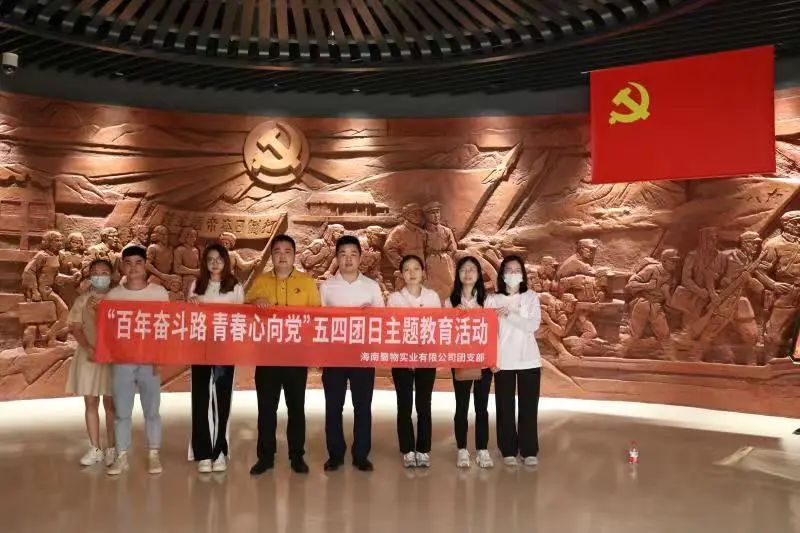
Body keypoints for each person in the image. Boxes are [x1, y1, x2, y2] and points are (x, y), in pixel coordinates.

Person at [246, 235, 320, 475]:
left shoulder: (307, 282)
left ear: (294, 255)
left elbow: (317, 317)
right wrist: (255, 303)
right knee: (266, 409)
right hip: (267, 357)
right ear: (272, 256)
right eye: (277, 251)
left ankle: (297, 456)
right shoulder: (261, 281)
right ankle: (265, 457)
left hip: (296, 357)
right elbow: (243, 311)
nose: (282, 255)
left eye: (287, 251)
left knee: (296, 409)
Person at [320, 235, 385, 472]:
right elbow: (320, 323)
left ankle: (361, 454)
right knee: (333, 407)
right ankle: (335, 454)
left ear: (360, 258)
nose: (348, 259)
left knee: (362, 406)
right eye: (343, 254)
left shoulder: (371, 286)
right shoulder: (327, 287)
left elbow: (382, 319)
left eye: (353, 254)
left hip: (362, 355)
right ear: (337, 258)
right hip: (334, 356)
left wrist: (372, 315)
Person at [105, 245, 170, 476]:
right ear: (122, 266)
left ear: (145, 266)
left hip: (150, 360)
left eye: (138, 263)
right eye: (128, 263)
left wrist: (160, 356)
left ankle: (153, 453)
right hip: (123, 361)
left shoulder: (159, 293)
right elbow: (108, 331)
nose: (133, 268)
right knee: (122, 411)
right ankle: (122, 455)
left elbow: (164, 328)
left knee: (152, 409)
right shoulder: (114, 296)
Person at [187, 244, 244, 474]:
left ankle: (219, 450)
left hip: (225, 350)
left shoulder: (235, 286)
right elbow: (189, 316)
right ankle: (203, 452)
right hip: (200, 348)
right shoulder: (197, 285)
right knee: (200, 398)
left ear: (226, 261)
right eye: (210, 259)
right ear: (204, 263)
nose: (214, 263)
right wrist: (191, 303)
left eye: (219, 259)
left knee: (221, 398)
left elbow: (241, 318)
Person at [487, 255, 542, 467]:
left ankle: (529, 449)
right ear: (502, 274)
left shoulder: (531, 297)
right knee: (505, 407)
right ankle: (508, 449)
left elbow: (532, 325)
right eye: (508, 270)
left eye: (517, 270)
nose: (513, 274)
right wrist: (491, 358)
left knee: (529, 407)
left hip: (529, 359)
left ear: (523, 274)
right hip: (504, 361)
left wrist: (510, 314)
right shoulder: (492, 300)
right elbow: (488, 332)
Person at [387, 255, 441, 468]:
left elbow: (437, 327)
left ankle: (424, 449)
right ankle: (408, 449)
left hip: (426, 358)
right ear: (401, 274)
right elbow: (392, 328)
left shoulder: (432, 297)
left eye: (416, 268)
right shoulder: (394, 299)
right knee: (404, 405)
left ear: (423, 273)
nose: (412, 273)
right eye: (407, 269)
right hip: (402, 358)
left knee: (424, 405)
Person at [66, 259, 116, 467]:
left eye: (104, 272)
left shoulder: (118, 299)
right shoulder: (82, 300)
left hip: (112, 357)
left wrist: (100, 311)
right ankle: (95, 448)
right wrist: (89, 349)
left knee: (111, 404)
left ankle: (112, 448)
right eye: (95, 272)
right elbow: (75, 328)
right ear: (90, 276)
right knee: (91, 402)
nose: (100, 276)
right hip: (88, 356)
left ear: (111, 276)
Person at [445, 256, 494, 469]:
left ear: (478, 274)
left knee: (482, 407)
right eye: (463, 269)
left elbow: (493, 332)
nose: (467, 273)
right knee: (462, 406)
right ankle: (462, 449)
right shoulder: (450, 302)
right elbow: (445, 333)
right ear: (458, 274)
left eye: (472, 269)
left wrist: (493, 359)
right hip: (461, 360)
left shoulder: (488, 301)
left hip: (483, 361)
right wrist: (455, 317)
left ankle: (482, 450)